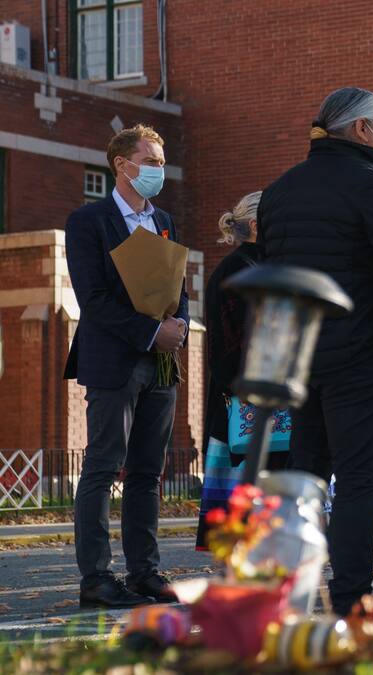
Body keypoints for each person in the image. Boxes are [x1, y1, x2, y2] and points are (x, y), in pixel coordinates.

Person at [258, 87, 373, 615]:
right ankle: (353, 596)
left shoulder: (279, 191)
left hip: (300, 358)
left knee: (306, 473)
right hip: (363, 354)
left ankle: (298, 591)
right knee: (358, 477)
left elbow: (271, 277)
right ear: (361, 130)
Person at [64, 124, 188, 608]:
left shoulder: (165, 221)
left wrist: (178, 326)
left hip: (160, 364)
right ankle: (95, 578)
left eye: (160, 162)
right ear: (122, 164)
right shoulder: (89, 221)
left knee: (146, 472)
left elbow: (178, 287)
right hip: (114, 359)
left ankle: (145, 571)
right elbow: (92, 299)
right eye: (151, 161)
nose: (159, 169)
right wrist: (148, 331)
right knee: (102, 465)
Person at [196, 192, 291, 549]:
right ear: (255, 225)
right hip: (248, 405)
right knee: (253, 512)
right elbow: (241, 345)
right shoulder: (241, 272)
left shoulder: (259, 267)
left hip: (258, 404)